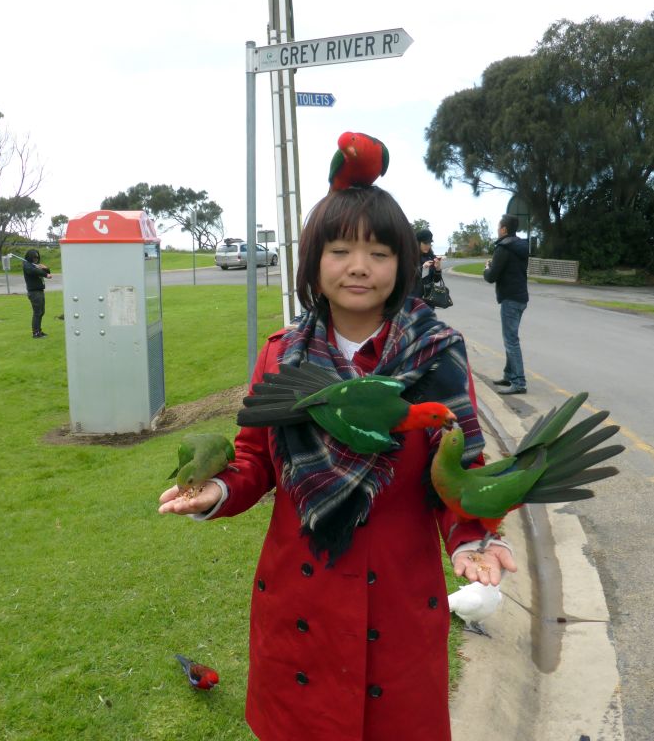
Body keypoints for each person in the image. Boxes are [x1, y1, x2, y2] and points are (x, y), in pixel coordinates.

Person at [159, 183, 516, 741]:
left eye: (379, 253)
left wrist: (472, 537)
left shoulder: (439, 353)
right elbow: (255, 459)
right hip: (302, 601)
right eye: (340, 251)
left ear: (403, 264)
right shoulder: (283, 354)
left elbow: (459, 468)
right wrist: (219, 490)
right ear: (314, 260)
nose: (359, 268)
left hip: (399, 599)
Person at [483, 215, 529, 395]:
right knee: (511, 337)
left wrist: (487, 268)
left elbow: (492, 276)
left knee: (511, 340)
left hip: (510, 298)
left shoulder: (503, 248)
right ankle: (509, 375)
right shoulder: (520, 246)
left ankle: (519, 382)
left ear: (503, 229)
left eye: (498, 226)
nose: (497, 229)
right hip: (520, 297)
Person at [22, 249, 52, 338]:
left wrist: (45, 268)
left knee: (41, 312)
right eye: (34, 257)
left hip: (40, 291)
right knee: (37, 312)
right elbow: (35, 272)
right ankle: (35, 333)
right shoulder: (27, 265)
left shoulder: (35, 265)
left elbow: (47, 271)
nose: (36, 259)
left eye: (37, 257)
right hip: (34, 292)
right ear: (30, 257)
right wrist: (45, 275)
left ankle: (39, 331)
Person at [410, 227, 442, 302]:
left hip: (429, 298)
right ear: (418, 242)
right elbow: (408, 278)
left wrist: (438, 269)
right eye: (425, 243)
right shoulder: (410, 256)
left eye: (429, 243)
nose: (428, 246)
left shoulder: (431, 257)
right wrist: (422, 268)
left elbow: (436, 280)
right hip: (414, 299)